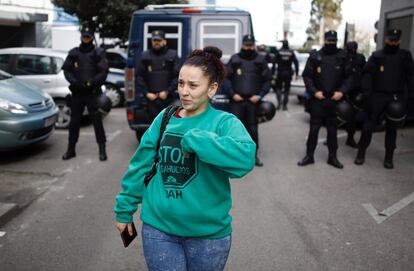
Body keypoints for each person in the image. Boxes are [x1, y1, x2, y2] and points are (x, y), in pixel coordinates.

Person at [114, 46, 256, 271]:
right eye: (181, 83)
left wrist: (198, 141)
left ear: (212, 89)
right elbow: (140, 165)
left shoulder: (224, 123)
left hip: (209, 236)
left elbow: (244, 159)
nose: (184, 92)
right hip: (159, 229)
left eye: (193, 85)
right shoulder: (165, 117)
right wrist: (124, 209)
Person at [354, 29, 414, 169]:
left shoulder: (405, 56)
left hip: (395, 96)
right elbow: (367, 75)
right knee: (368, 126)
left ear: (399, 41)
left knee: (392, 128)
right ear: (386, 39)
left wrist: (409, 97)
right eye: (390, 40)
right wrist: (367, 94)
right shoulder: (377, 56)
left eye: (395, 40)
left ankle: (389, 157)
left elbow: (411, 77)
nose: (392, 42)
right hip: (377, 96)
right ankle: (361, 153)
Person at [298, 30, 352, 169]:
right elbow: (307, 76)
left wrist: (341, 92)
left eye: (333, 41)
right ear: (325, 40)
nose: (331, 43)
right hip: (318, 99)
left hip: (335, 99)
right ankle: (309, 156)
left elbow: (349, 77)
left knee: (332, 131)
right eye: (329, 41)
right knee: (314, 129)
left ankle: (332, 157)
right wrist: (314, 92)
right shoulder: (316, 56)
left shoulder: (342, 56)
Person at [61, 25, 109, 161]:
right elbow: (67, 71)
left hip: (92, 93)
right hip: (77, 93)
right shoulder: (74, 53)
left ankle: (102, 150)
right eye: (84, 36)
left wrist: (91, 82)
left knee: (97, 122)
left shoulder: (98, 53)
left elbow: (103, 72)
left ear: (92, 38)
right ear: (81, 37)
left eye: (88, 36)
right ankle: (71, 150)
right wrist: (75, 82)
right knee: (74, 122)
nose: (86, 38)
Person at [227, 34, 272, 167]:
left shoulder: (260, 59)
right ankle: (235, 157)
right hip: (237, 100)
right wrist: (232, 94)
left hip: (253, 101)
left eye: (251, 45)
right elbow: (226, 78)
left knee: (252, 130)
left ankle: (253, 156)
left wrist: (259, 96)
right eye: (246, 45)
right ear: (242, 45)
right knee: (235, 130)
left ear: (254, 45)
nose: (248, 47)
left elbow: (267, 80)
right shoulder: (234, 59)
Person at [136, 30, 180, 121]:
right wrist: (146, 93)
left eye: (159, 40)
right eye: (154, 40)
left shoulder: (172, 55)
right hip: (151, 99)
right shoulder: (145, 56)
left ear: (164, 41)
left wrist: (167, 91)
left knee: (167, 125)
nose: (156, 42)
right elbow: (139, 76)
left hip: (168, 99)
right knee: (153, 126)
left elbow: (177, 76)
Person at [343, 41, 366, 148]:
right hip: (342, 90)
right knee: (337, 114)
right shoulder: (342, 57)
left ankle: (350, 138)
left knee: (352, 117)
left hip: (354, 90)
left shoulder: (360, 58)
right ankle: (331, 137)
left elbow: (364, 72)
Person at [275, 40, 299, 111]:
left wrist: (273, 73)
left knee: (278, 88)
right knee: (286, 90)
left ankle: (279, 104)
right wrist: (296, 73)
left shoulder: (279, 51)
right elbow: (296, 63)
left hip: (280, 73)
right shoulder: (291, 52)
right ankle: (284, 106)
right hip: (288, 73)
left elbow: (274, 62)